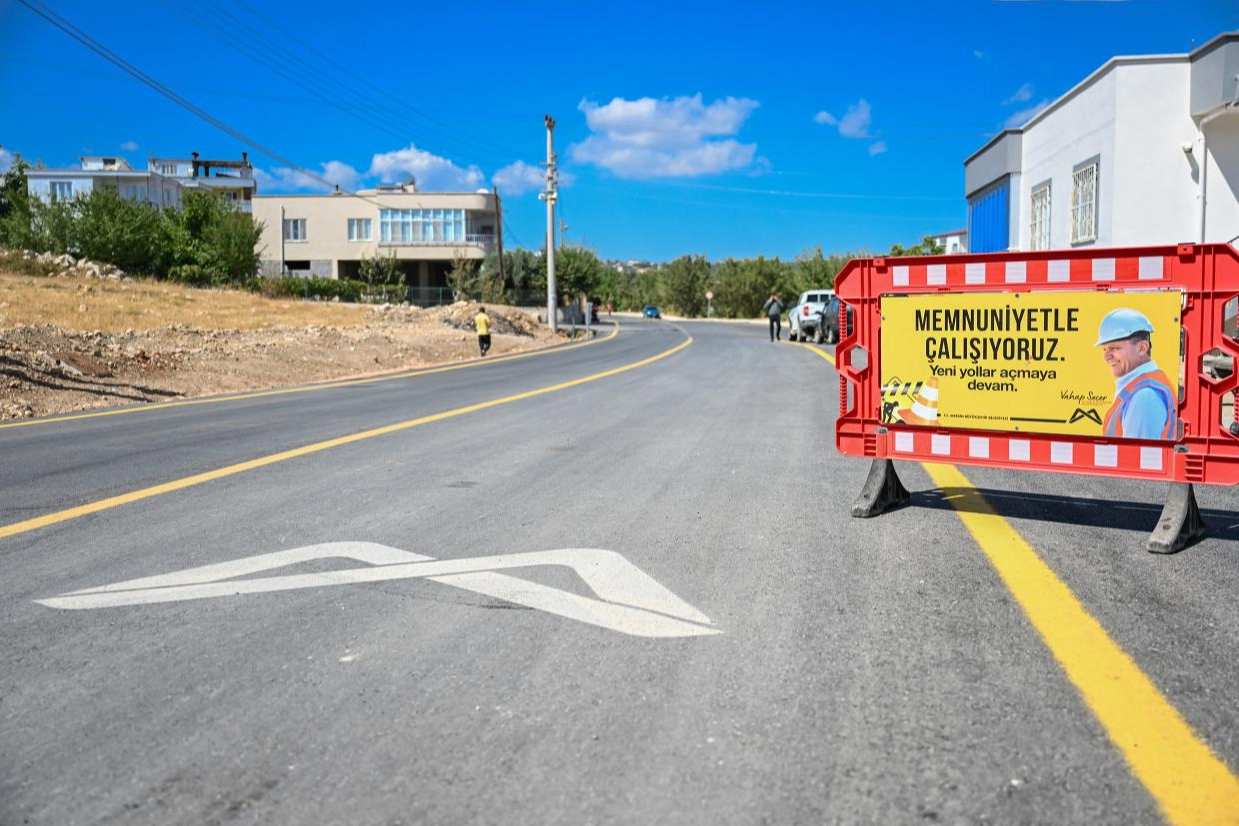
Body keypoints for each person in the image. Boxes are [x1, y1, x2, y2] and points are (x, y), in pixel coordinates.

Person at [1095, 308, 1176, 439]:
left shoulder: (1144, 396)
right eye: (1104, 349)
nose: (1107, 356)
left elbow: (1136, 457)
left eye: (1114, 348)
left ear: (1142, 348)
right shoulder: (1140, 386)